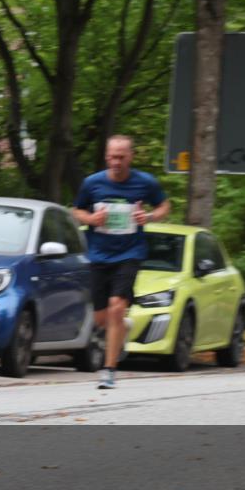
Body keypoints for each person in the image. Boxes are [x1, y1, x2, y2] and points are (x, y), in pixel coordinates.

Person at [73, 135, 171, 389]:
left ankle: (109, 370)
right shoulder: (92, 183)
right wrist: (92, 220)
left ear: (131, 156)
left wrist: (147, 216)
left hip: (130, 253)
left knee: (117, 306)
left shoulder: (144, 182)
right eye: (112, 156)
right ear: (107, 157)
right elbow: (77, 211)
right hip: (99, 255)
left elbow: (164, 206)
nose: (116, 161)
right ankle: (123, 327)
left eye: (122, 156)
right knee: (101, 319)